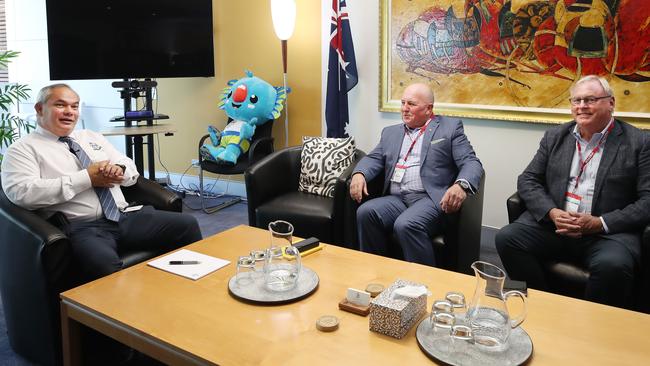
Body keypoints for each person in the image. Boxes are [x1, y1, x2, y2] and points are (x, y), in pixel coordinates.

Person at [1, 83, 202, 280]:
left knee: (188, 224)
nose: (70, 112)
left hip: (125, 216)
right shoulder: (23, 149)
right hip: (84, 227)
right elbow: (22, 193)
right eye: (60, 105)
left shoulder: (91, 137)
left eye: (75, 106)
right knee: (103, 265)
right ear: (39, 108)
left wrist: (119, 171)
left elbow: (128, 166)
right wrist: (87, 178)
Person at [496, 75, 650, 307]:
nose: (581, 107)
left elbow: (647, 200)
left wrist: (600, 222)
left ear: (611, 103)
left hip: (606, 234)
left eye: (590, 99)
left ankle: (593, 326)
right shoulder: (556, 136)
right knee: (507, 238)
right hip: (556, 226)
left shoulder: (639, 142)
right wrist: (552, 213)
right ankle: (544, 306)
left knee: (613, 266)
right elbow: (528, 179)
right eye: (576, 100)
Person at [350, 83, 483, 266]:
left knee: (406, 224)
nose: (404, 108)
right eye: (403, 103)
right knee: (366, 212)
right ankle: (376, 271)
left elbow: (471, 162)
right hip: (397, 198)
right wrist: (359, 173)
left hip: (429, 198)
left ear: (429, 109)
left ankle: (423, 284)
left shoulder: (449, 129)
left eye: (411, 104)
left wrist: (461, 185)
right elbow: (373, 158)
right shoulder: (390, 132)